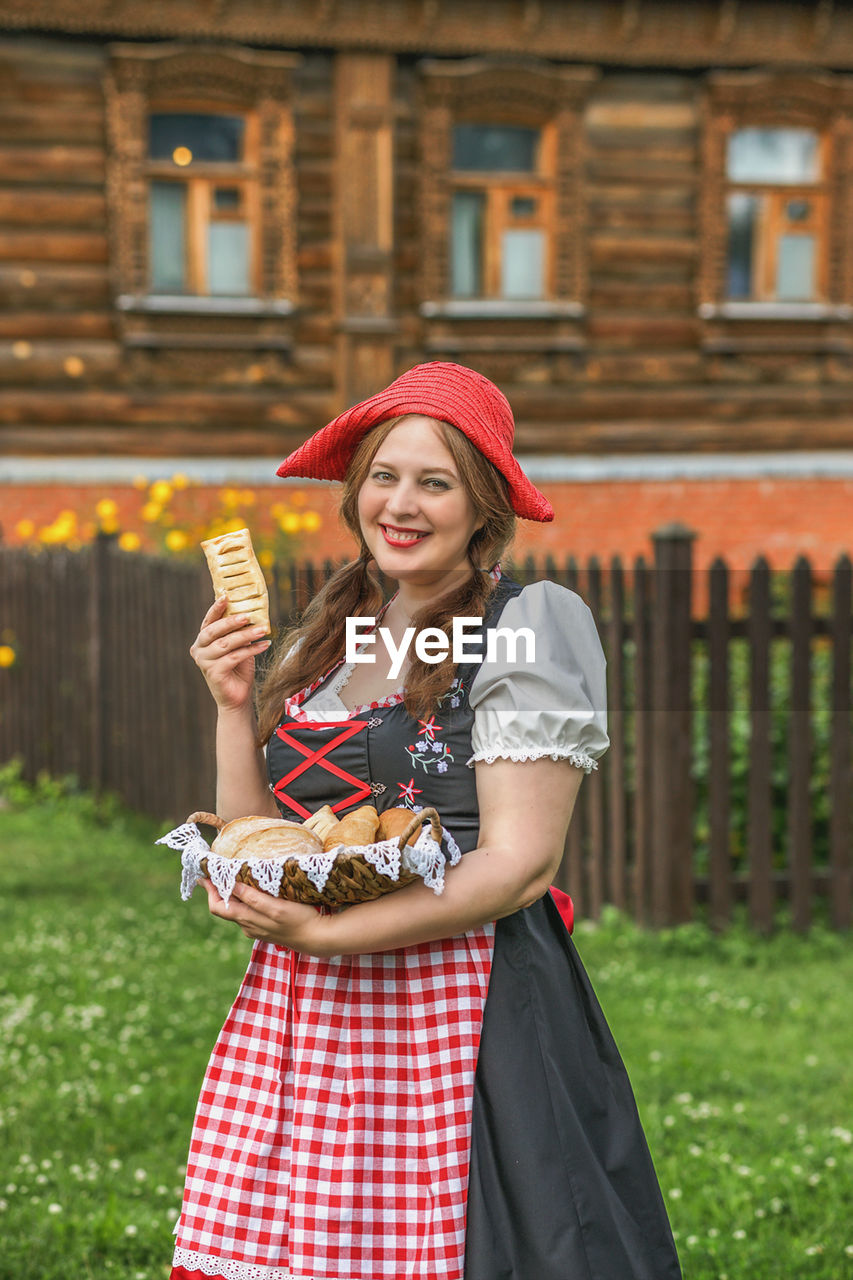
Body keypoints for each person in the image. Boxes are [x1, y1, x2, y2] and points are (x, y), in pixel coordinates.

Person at [172, 361, 682, 1280]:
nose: (400, 504)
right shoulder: (332, 632)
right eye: (383, 476)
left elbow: (519, 866)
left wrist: (332, 938)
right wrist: (230, 705)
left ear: (482, 506)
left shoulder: (528, 624)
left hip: (463, 1004)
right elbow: (266, 841)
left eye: (434, 481)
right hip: (315, 1014)